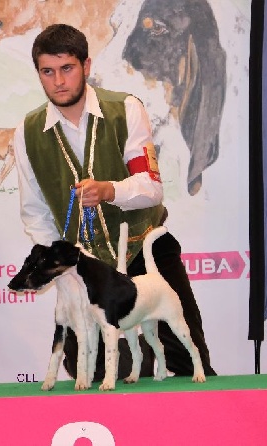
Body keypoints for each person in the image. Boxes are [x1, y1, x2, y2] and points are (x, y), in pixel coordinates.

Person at [13, 24, 216, 380]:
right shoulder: (27, 132)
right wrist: (63, 271)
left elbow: (151, 187)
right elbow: (35, 213)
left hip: (146, 249)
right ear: (39, 74)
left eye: (67, 68)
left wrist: (109, 190)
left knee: (186, 355)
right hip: (84, 264)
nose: (58, 80)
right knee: (87, 373)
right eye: (48, 71)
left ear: (86, 66)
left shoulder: (126, 109)